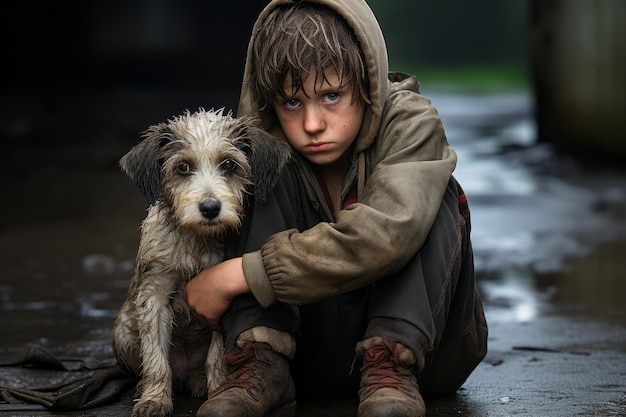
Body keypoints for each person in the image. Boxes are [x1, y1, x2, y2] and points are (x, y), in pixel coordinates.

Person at [185, 1, 488, 416]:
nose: (312, 124)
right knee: (256, 163)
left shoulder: (411, 123)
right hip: (303, 354)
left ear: (367, 85)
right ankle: (260, 360)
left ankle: (389, 367)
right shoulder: (263, 141)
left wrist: (242, 273)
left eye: (332, 96)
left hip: (422, 354)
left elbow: (387, 233)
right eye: (292, 102)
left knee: (437, 197)